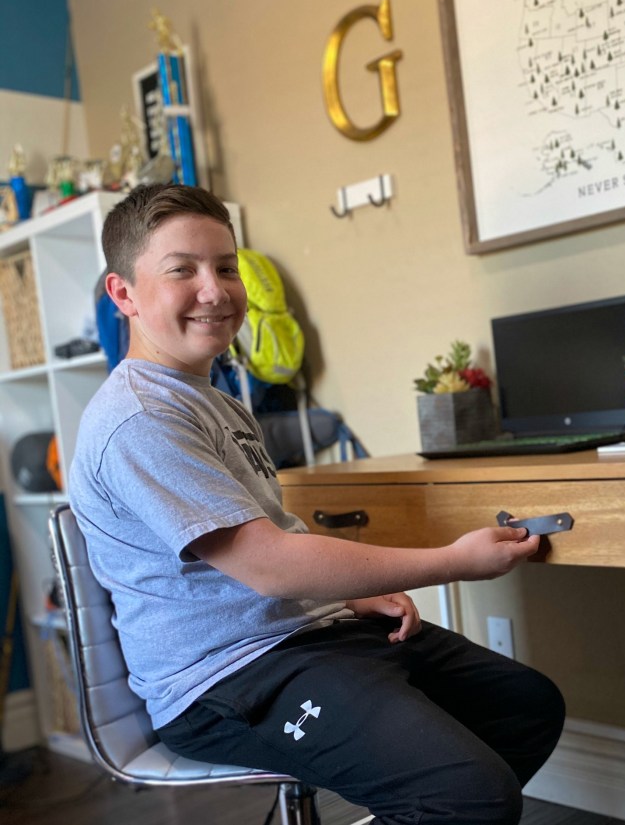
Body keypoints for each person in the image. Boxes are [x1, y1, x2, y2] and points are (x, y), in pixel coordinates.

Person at [68, 183, 565, 825]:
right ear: (124, 294)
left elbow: (267, 547)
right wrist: (453, 560)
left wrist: (348, 598)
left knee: (525, 707)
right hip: (229, 677)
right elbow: (271, 564)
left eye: (225, 266)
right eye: (182, 271)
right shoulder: (139, 417)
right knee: (471, 795)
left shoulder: (214, 400)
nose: (215, 289)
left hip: (305, 635)